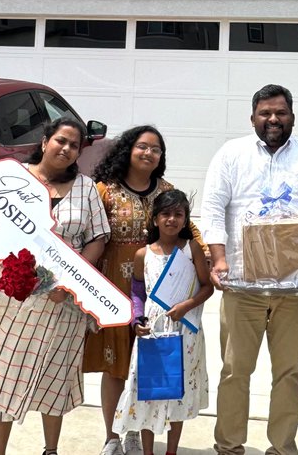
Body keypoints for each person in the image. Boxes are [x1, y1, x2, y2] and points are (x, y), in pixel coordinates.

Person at [0, 116, 111, 455]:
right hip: (13, 295)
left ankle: (51, 450)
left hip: (63, 301)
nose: (67, 149)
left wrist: (72, 280)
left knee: (54, 374)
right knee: (5, 373)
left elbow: (98, 238)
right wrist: (16, 265)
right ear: (45, 141)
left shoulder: (86, 188)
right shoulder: (13, 178)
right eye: (61, 140)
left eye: (74, 145)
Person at [201, 83, 298, 455]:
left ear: (292, 116)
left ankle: (282, 448)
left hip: (294, 287)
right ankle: (229, 447)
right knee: (234, 372)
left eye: (280, 112)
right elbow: (213, 211)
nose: (273, 119)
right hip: (242, 286)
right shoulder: (231, 154)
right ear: (253, 118)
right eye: (265, 113)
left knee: (290, 372)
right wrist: (218, 258)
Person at [83, 126, 206, 455]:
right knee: (115, 366)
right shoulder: (104, 190)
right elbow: (89, 231)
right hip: (113, 291)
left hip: (155, 292)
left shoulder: (166, 190)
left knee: (144, 364)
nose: (149, 153)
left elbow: (190, 229)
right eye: (142, 146)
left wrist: (210, 258)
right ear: (128, 150)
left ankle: (136, 429)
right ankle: (112, 436)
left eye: (156, 149)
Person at [113, 189, 212, 455]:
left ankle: (171, 450)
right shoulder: (143, 255)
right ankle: (148, 451)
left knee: (176, 391)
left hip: (184, 331)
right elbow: (137, 292)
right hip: (152, 334)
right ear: (155, 219)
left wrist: (186, 306)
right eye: (165, 214)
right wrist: (136, 320)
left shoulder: (191, 250)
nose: (172, 219)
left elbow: (207, 287)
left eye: (178, 214)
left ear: (185, 218)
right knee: (150, 390)